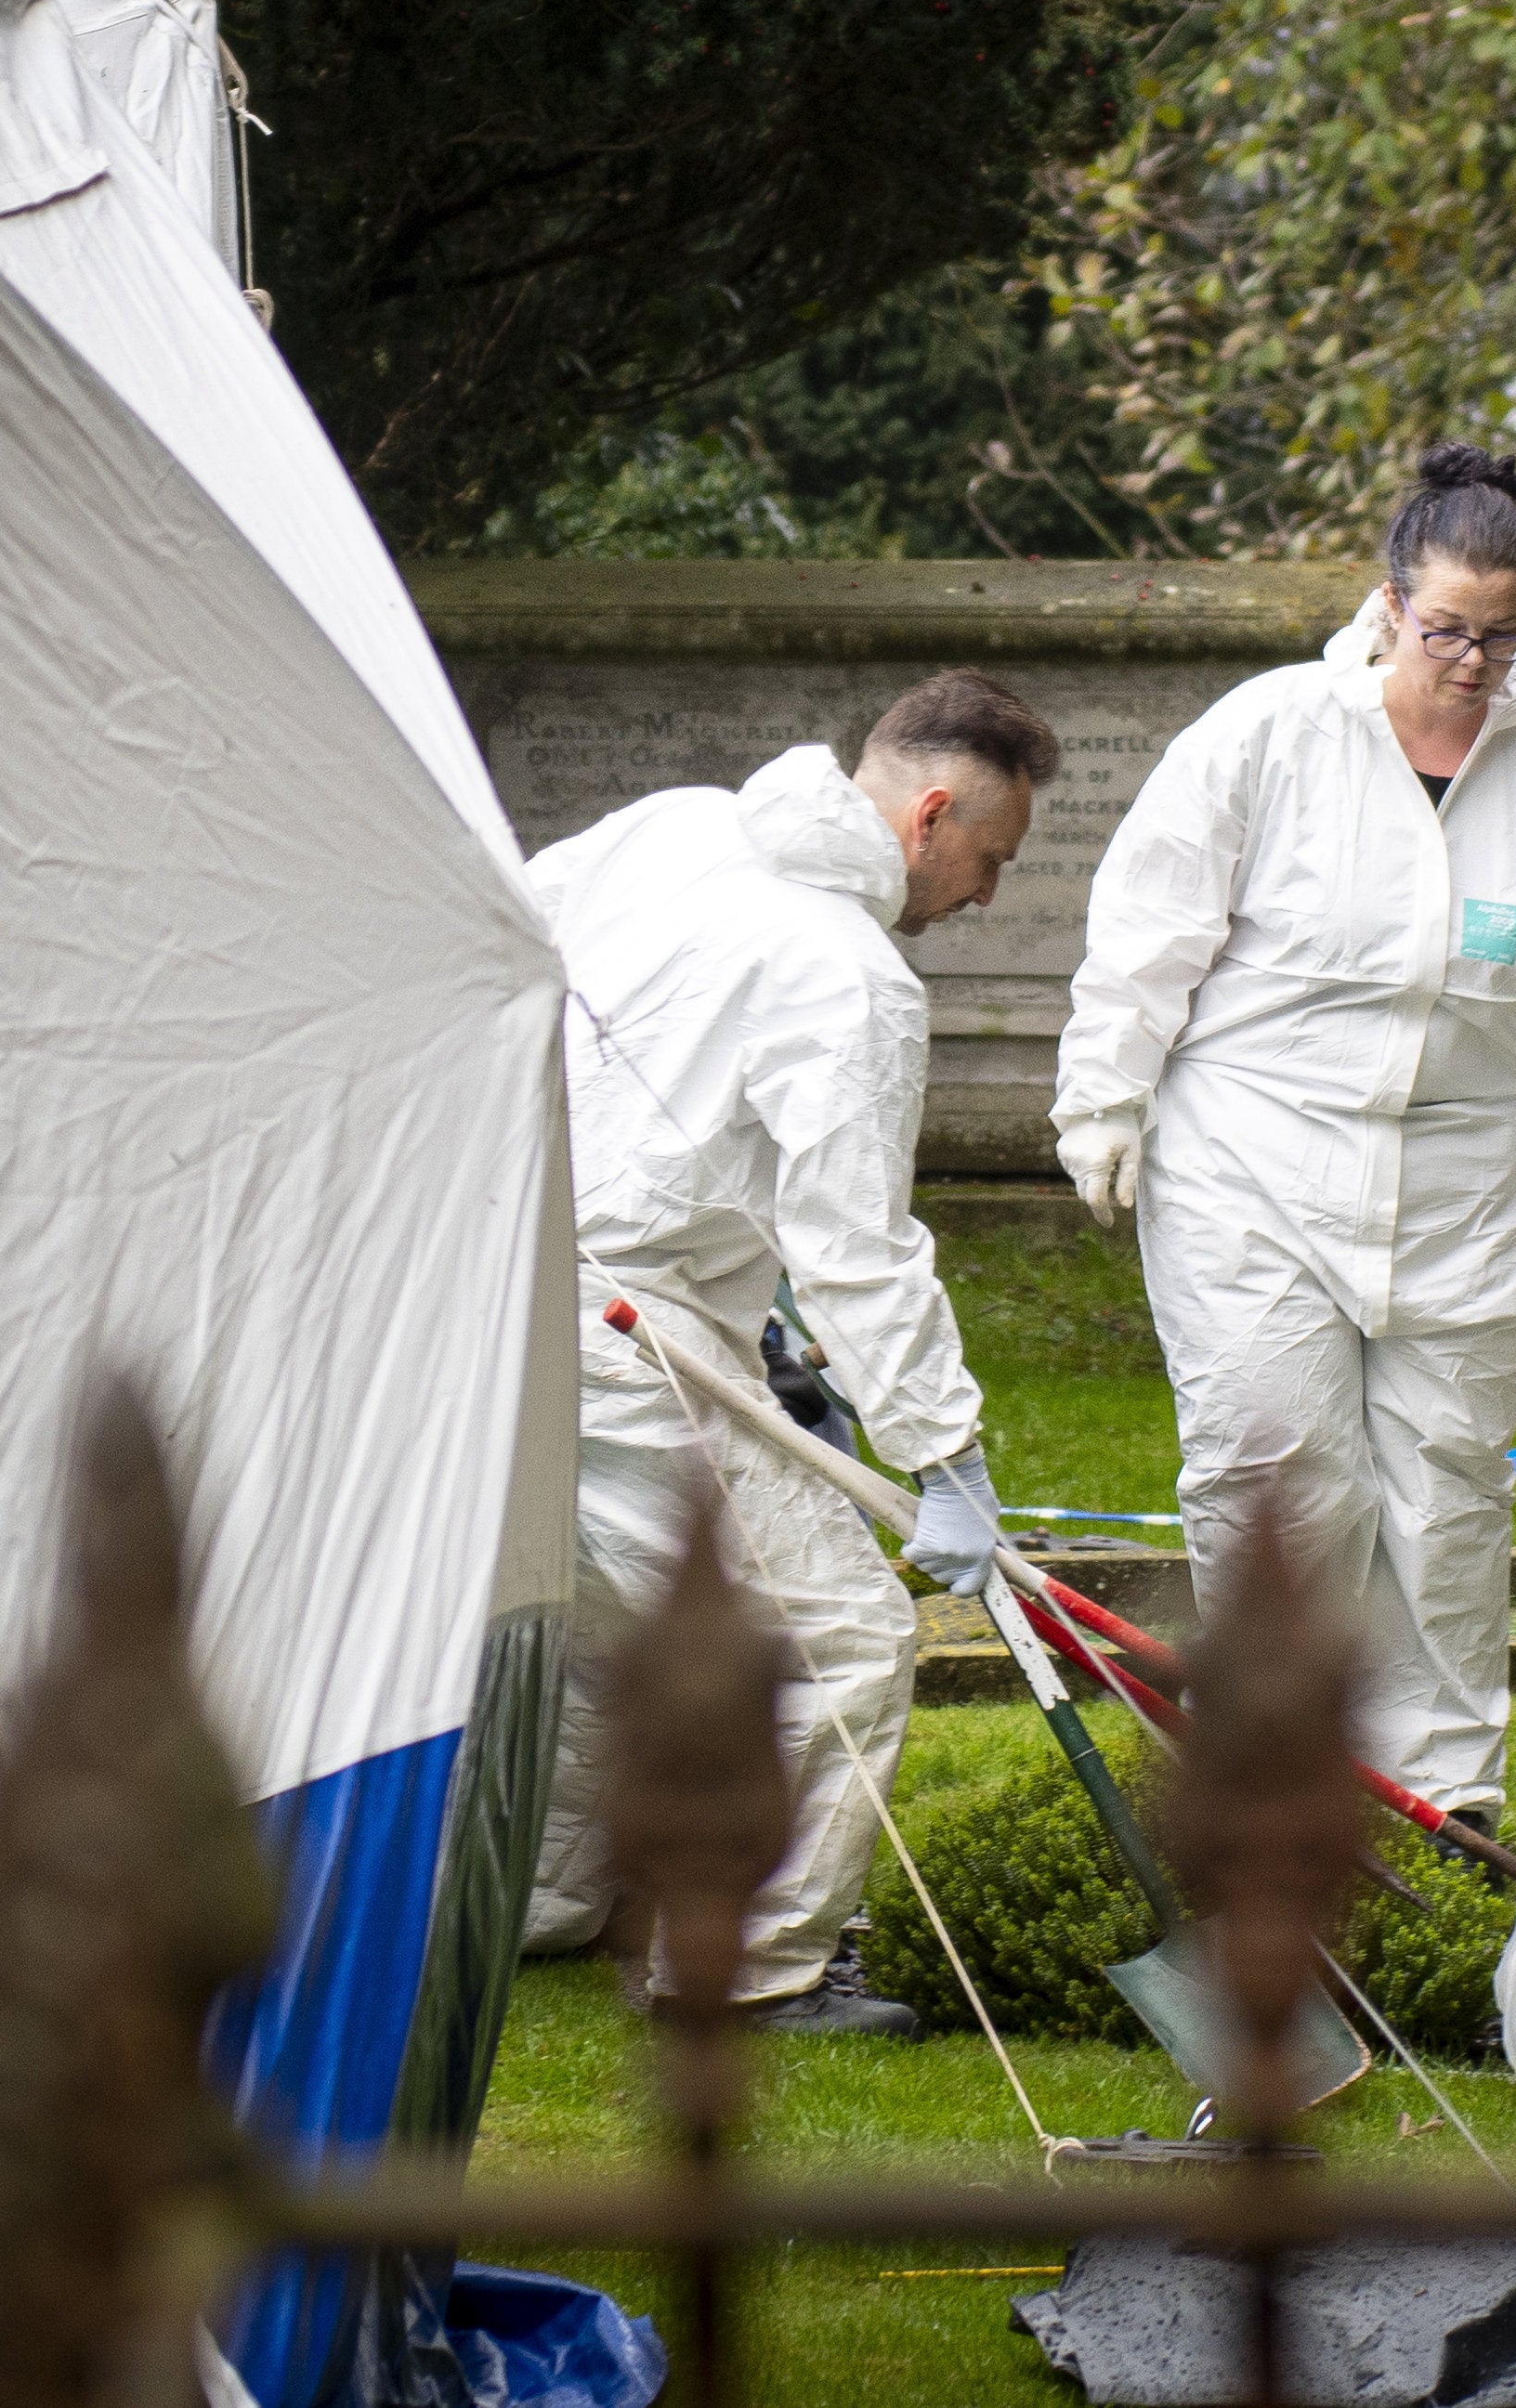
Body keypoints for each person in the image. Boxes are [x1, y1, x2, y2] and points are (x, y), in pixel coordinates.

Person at [1052, 443, 1516, 1843]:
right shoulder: (1269, 736)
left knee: (1448, 1497)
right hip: (1256, 1162)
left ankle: (1446, 1811)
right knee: (1274, 1474)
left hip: (1467, 1187)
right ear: (1387, 607)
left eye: (1502, 636)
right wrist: (1102, 1098)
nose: (1473, 662)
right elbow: (1149, 926)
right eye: (1446, 631)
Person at [528, 670, 1063, 2033]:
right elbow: (856, 1248)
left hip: (506, 1287)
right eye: (989, 860)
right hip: (630, 1339)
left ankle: (547, 1901)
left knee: (601, 1630)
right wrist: (946, 1452)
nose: (986, 896)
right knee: (847, 1638)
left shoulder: (672, 827)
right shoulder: (853, 977)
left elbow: (501, 951)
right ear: (929, 811)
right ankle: (753, 1973)